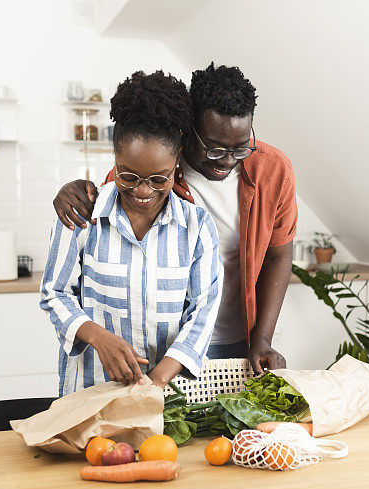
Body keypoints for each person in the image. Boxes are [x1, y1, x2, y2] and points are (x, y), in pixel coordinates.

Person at [53, 63, 297, 375]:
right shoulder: (153, 170)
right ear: (188, 129)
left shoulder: (274, 171)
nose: (227, 160)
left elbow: (279, 255)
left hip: (239, 339)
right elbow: (107, 211)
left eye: (240, 148)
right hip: (166, 345)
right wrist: (73, 191)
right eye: (214, 148)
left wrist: (262, 337)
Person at [41, 70, 222, 395]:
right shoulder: (82, 213)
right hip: (88, 391)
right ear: (114, 157)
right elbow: (55, 293)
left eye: (159, 179)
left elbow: (203, 312)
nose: (142, 191)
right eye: (128, 176)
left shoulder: (196, 227)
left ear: (176, 160)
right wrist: (98, 337)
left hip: (166, 397)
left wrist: (156, 382)